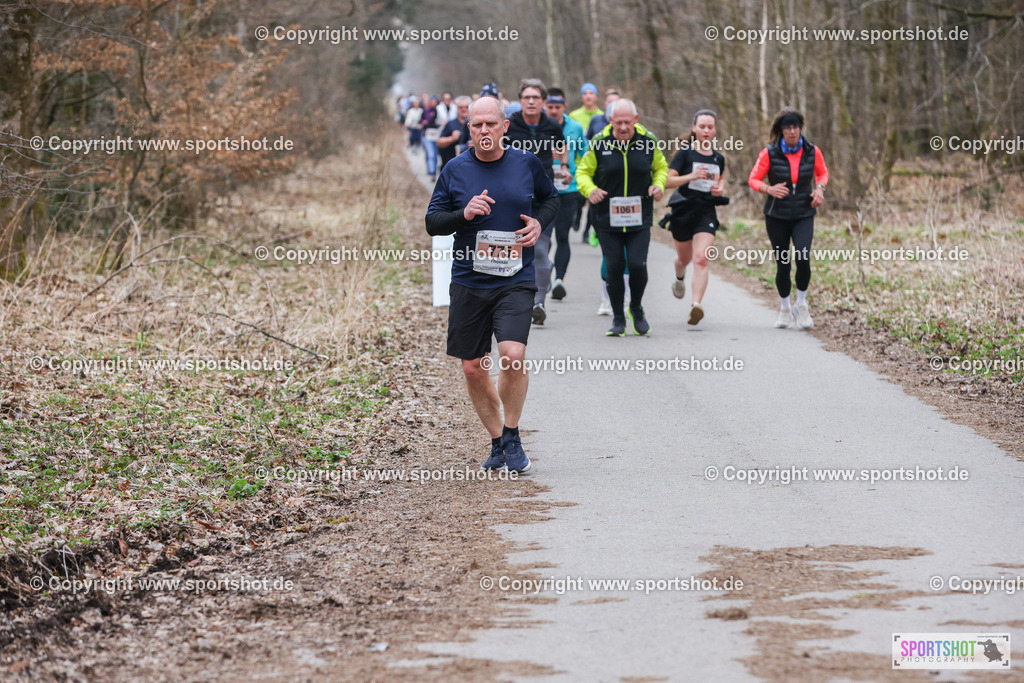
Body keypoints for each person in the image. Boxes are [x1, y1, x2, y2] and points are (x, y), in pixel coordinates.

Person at [425, 96, 560, 473]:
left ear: (504, 126)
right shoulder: (454, 170)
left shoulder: (525, 164)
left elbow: (551, 200)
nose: (484, 131)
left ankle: (513, 436)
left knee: (513, 356)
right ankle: (497, 439)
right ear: (468, 129)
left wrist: (538, 223)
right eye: (477, 125)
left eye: (491, 124)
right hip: (469, 280)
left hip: (514, 278)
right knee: (472, 367)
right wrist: (463, 214)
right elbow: (433, 222)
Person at [576, 99, 667, 336]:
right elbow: (583, 172)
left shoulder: (648, 142)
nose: (623, 127)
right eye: (618, 123)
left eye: (628, 122)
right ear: (610, 121)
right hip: (607, 217)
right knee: (614, 266)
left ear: (635, 120)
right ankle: (618, 318)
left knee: (637, 265)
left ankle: (636, 307)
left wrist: (658, 185)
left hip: (639, 216)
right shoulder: (598, 143)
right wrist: (590, 190)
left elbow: (661, 168)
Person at [748, 107, 829, 329]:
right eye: (787, 128)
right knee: (783, 264)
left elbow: (822, 173)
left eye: (795, 127)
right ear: (781, 130)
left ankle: (801, 305)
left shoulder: (813, 151)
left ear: (800, 128)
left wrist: (820, 189)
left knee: (803, 258)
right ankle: (785, 308)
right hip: (777, 215)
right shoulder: (769, 152)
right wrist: (768, 188)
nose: (792, 132)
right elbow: (753, 179)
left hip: (803, 212)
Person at [503, 78, 568, 326]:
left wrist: (563, 165)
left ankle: (539, 302)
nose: (531, 102)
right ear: (520, 101)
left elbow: (562, 146)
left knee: (540, 247)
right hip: (513, 196)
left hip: (544, 196)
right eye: (526, 98)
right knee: (515, 248)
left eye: (535, 98)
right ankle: (511, 298)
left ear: (543, 102)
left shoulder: (551, 124)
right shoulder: (510, 125)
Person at [662, 109, 729, 326]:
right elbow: (666, 182)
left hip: (706, 211)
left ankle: (695, 306)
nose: (706, 131)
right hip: (683, 210)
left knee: (701, 258)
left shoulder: (719, 158)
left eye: (710, 127)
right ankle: (679, 275)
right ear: (694, 128)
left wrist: (719, 188)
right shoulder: (685, 154)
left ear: (715, 130)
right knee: (685, 259)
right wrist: (691, 176)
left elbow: (720, 181)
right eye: (702, 126)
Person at [543, 87, 588, 301]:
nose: (553, 110)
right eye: (550, 107)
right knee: (544, 238)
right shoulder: (538, 127)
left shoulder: (575, 128)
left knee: (562, 235)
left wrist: (578, 178)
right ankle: (546, 273)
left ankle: (559, 279)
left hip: (567, 190)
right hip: (542, 190)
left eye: (557, 107)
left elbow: (586, 157)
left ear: (564, 107)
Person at [437, 96, 470, 172]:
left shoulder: (477, 124)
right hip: (452, 167)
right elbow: (439, 142)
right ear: (457, 108)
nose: (463, 109)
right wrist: (452, 138)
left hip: (470, 167)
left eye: (466, 107)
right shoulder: (450, 124)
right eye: (460, 107)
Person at [422, 96, 441, 180]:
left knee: (435, 155)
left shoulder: (440, 110)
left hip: (437, 134)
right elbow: (422, 120)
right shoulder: (426, 110)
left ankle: (434, 169)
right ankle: (432, 171)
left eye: (434, 101)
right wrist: (425, 121)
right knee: (430, 153)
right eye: (431, 101)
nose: (433, 103)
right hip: (428, 134)